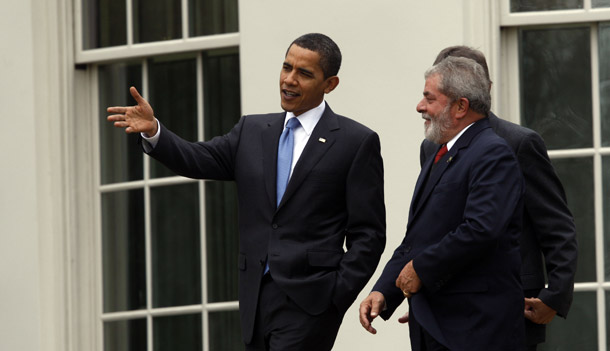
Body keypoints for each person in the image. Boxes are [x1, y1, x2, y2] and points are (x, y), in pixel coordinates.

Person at [107, 33, 386, 351]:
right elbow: (199, 159)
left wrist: (336, 295)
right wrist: (156, 131)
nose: (289, 80)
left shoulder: (354, 142)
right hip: (255, 297)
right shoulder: (252, 131)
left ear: (330, 84)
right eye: (286, 67)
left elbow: (369, 234)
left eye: (304, 73)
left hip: (312, 301)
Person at [359, 56, 525, 350]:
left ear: (461, 106)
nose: (420, 107)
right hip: (434, 325)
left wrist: (420, 269)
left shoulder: (492, 153)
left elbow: (480, 230)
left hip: (475, 329)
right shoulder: (438, 152)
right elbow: (419, 237)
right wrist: (384, 291)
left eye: (429, 99)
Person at [420, 46, 577, 350]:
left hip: (512, 305)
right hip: (445, 305)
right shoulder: (431, 147)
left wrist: (554, 296)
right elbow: (435, 226)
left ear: (482, 89)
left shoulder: (520, 143)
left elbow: (556, 226)